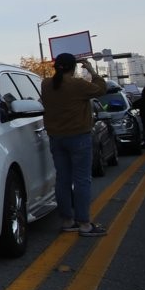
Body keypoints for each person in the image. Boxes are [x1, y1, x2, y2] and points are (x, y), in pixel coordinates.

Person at [40, 53, 108, 237]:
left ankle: (67, 221)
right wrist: (92, 70)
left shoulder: (46, 84)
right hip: (78, 138)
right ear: (74, 67)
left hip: (56, 138)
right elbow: (101, 89)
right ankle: (85, 224)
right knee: (82, 180)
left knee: (62, 179)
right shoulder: (78, 85)